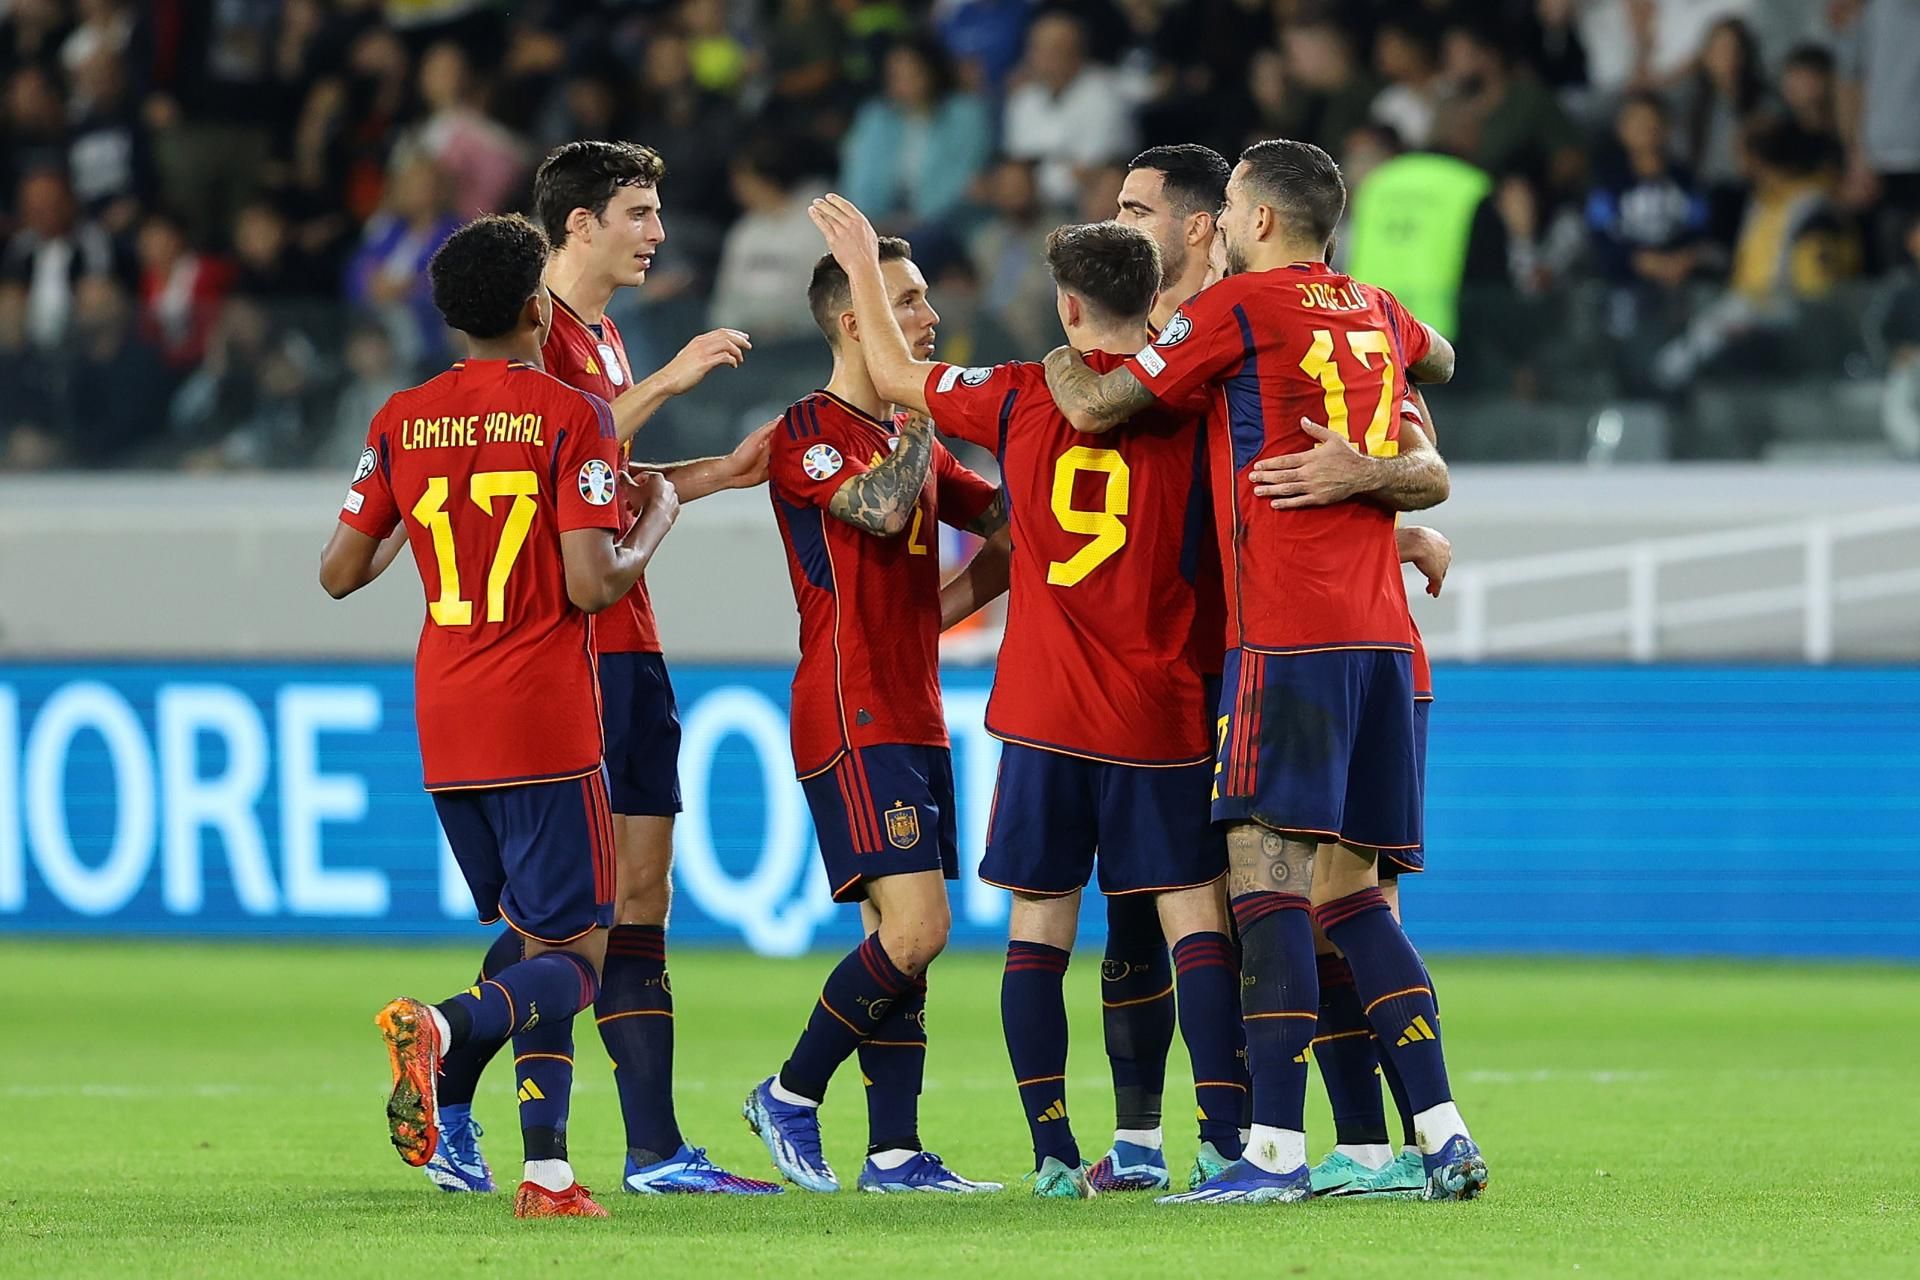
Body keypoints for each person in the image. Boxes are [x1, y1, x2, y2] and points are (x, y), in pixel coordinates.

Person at [1042, 138, 1485, 1205]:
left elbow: (1099, 406)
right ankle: (1441, 1133)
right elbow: (1445, 360)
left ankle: (1272, 1153)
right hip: (1383, 642)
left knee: (1265, 885)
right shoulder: (1372, 306)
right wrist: (1379, 462)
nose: (1227, 221)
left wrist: (1055, 351)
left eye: (1233, 204)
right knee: (1354, 901)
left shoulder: (1237, 309)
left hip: (1286, 636)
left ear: (1257, 221)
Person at [812, 198, 1252, 1201]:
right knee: (1196, 924)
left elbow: (891, 376)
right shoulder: (1191, 400)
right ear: (1151, 299)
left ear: (1065, 305)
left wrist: (863, 273)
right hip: (1160, 705)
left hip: (1044, 712)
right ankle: (1223, 1144)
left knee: (1037, 933)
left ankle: (1055, 1153)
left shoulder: (1016, 394)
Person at [425, 139, 779, 1199]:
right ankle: (493, 1117)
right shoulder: (532, 347)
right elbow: (552, 448)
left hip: (632, 635)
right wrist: (674, 381)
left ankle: (656, 1147)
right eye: (637, 213)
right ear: (576, 225)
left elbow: (606, 474)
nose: (657, 233)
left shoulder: (607, 339)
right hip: (567, 652)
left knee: (638, 895)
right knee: (559, 921)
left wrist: (718, 472)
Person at [318, 212, 682, 1220]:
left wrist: (415, 510)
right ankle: (439, 1025)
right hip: (541, 715)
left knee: (536, 938)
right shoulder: (574, 415)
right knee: (576, 956)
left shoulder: (399, 418)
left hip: (446, 717)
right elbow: (592, 582)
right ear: (536, 307)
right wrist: (654, 519)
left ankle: (550, 1172)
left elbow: (340, 570)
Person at [743, 232, 1006, 1197]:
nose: (931, 316)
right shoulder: (806, 429)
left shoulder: (906, 436)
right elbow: (885, 508)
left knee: (902, 934)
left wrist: (941, 610)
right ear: (857, 323)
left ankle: (894, 1151)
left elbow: (1016, 526)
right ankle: (790, 1092)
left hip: (914, 706)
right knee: (919, 928)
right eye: (909, 301)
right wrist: (924, 406)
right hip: (852, 708)